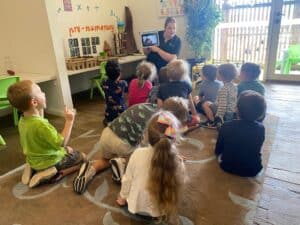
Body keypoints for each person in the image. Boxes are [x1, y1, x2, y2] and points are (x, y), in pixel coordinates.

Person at [73, 97, 189, 194]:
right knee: (145, 163)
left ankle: (91, 168)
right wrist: (171, 155)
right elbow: (153, 146)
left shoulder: (150, 105)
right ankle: (121, 166)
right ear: (170, 117)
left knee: (105, 160)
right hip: (123, 144)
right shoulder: (158, 122)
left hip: (107, 134)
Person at [7, 80, 86, 188]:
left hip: (34, 159)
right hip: (51, 161)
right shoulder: (42, 126)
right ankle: (54, 172)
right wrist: (69, 121)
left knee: (69, 149)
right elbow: (61, 143)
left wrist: (41, 108)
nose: (44, 93)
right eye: (40, 92)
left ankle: (31, 167)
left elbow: (39, 119)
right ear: (34, 102)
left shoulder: (23, 121)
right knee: (82, 158)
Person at [116, 111, 186, 224]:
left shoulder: (137, 153)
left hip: (136, 206)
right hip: (162, 209)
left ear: (147, 135)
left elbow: (127, 180)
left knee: (128, 174)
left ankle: (118, 166)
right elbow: (179, 184)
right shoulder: (177, 162)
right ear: (174, 138)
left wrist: (122, 197)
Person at [215, 90, 266, 177]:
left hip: (227, 166)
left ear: (237, 110)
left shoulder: (226, 126)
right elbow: (257, 148)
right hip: (253, 169)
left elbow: (218, 149)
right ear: (261, 114)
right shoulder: (261, 128)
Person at [157, 59, 199, 125]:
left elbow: (160, 105)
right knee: (196, 120)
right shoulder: (186, 85)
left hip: (168, 117)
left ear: (168, 73)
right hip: (183, 116)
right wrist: (195, 114)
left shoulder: (161, 87)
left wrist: (160, 117)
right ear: (184, 75)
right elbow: (190, 102)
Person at [200, 63, 238, 129]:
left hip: (226, 114)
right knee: (209, 103)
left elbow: (222, 106)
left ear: (221, 75)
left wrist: (218, 117)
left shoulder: (224, 89)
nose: (216, 73)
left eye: (217, 72)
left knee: (205, 104)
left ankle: (213, 122)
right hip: (232, 111)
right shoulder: (234, 86)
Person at [102, 60, 127, 124]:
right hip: (121, 112)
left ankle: (109, 121)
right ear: (119, 73)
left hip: (109, 113)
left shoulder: (104, 83)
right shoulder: (123, 83)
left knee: (108, 116)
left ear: (106, 73)